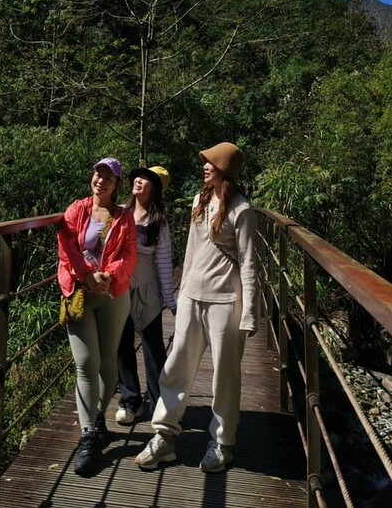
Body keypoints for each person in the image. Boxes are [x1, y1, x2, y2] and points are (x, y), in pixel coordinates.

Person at [135, 142, 258, 474]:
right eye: (205, 162)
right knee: (176, 366)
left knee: (225, 377)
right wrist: (180, 292)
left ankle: (223, 442)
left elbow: (248, 264)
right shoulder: (199, 201)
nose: (204, 167)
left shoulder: (241, 210)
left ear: (225, 171)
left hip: (226, 302)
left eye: (211, 164)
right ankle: (164, 436)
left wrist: (249, 313)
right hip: (192, 296)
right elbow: (191, 252)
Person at [57, 157, 137, 476]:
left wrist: (108, 276)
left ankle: (99, 416)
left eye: (108, 177)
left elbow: (129, 254)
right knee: (86, 364)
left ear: (116, 185)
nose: (100, 180)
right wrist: (89, 275)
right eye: (97, 174)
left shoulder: (123, 217)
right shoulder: (76, 209)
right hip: (80, 292)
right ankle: (88, 436)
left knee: (107, 363)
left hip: (113, 294)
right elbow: (66, 247)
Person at [115, 165, 177, 424]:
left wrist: (169, 299)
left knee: (153, 349)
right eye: (138, 178)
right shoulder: (119, 212)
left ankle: (158, 403)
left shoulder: (158, 221)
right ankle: (130, 401)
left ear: (155, 190)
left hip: (147, 290)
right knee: (122, 345)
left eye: (146, 180)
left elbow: (163, 261)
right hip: (119, 287)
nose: (139, 182)